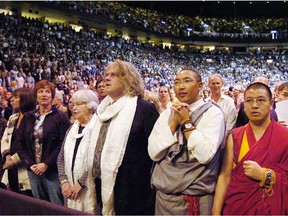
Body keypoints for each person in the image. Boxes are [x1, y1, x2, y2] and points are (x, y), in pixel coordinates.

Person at [148, 68, 225, 215]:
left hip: (196, 198)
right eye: (177, 82)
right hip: (164, 197)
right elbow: (153, 153)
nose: (181, 86)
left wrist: (186, 122)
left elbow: (205, 155)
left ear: (201, 86)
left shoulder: (213, 113)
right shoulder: (167, 113)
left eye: (187, 81)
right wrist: (174, 124)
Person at [92, 59, 159, 215]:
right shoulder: (102, 110)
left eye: (113, 75)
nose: (106, 78)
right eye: (106, 74)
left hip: (133, 191)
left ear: (128, 79)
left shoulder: (144, 109)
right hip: (101, 182)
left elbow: (157, 151)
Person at [213, 82, 288, 215]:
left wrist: (265, 175)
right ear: (244, 105)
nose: (254, 105)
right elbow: (225, 176)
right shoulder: (235, 136)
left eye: (261, 100)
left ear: (271, 104)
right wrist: (216, 212)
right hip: (238, 208)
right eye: (249, 101)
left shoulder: (284, 136)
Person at [14, 80, 71, 205]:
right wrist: (30, 164)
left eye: (47, 92)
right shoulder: (28, 117)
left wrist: (46, 163)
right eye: (40, 91)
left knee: (57, 204)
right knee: (39, 205)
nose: (44, 95)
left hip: (53, 170)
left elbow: (64, 144)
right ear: (36, 95)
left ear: (52, 96)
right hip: (33, 169)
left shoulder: (61, 117)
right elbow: (19, 142)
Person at [57, 89, 99, 214]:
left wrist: (81, 183)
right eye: (73, 104)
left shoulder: (98, 127)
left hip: (90, 188)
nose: (74, 108)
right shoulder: (72, 128)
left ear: (91, 106)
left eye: (79, 104)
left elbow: (98, 158)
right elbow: (61, 157)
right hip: (70, 187)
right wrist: (64, 182)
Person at [1, 88, 36, 196]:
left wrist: (15, 160)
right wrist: (7, 156)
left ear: (25, 99)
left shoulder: (34, 119)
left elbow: (32, 145)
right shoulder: (12, 118)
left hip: (26, 168)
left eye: (16, 97)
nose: (12, 100)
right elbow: (5, 139)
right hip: (10, 167)